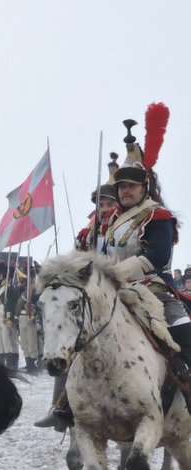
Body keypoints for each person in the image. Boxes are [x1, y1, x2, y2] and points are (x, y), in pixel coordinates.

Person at [43, 106, 184, 429]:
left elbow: (158, 256)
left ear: (143, 188)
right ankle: (64, 405)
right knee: (73, 338)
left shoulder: (157, 217)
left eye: (131, 187)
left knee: (183, 330)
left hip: (150, 289)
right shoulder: (107, 222)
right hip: (107, 295)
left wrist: (117, 275)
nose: (125, 192)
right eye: (121, 188)